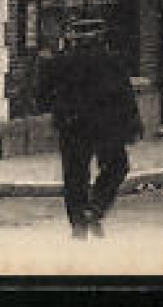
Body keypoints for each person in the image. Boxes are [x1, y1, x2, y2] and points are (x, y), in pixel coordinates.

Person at [37, 17, 144, 238]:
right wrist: (133, 124)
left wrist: (60, 111)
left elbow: (42, 98)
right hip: (107, 126)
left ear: (74, 39)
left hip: (72, 126)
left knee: (75, 175)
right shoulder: (112, 61)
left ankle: (78, 223)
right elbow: (125, 96)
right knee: (117, 166)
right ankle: (94, 208)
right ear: (100, 37)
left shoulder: (59, 63)